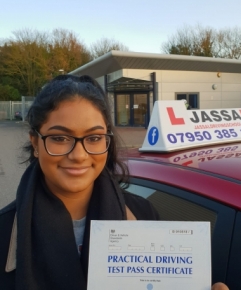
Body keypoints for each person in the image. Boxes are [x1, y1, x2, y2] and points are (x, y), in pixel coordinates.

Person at [0, 74, 229, 290]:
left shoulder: (143, 214)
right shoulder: (5, 231)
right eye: (59, 138)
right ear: (35, 142)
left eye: (94, 138)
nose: (79, 155)